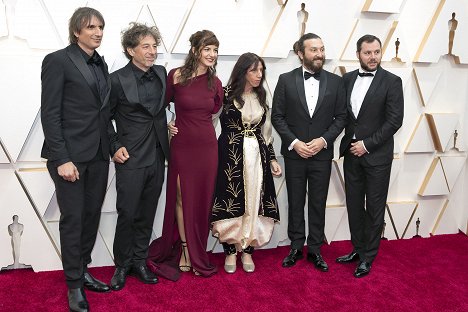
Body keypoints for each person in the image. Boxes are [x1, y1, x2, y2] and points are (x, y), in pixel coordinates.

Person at [41, 7, 111, 312]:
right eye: (91, 27)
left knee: (91, 217)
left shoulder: (101, 63)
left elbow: (102, 111)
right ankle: (73, 285)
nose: (97, 32)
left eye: (100, 27)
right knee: (73, 220)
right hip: (69, 156)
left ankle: (82, 270)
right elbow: (50, 113)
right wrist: (62, 158)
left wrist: (114, 144)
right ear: (76, 31)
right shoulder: (58, 60)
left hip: (98, 153)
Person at [147, 30, 223, 281]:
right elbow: (161, 107)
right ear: (195, 51)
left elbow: (213, 113)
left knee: (201, 201)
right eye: (207, 49)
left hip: (207, 148)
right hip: (182, 146)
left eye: (215, 50)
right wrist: (168, 124)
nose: (212, 54)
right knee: (181, 197)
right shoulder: (175, 76)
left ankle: (196, 249)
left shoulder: (216, 83)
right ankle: (185, 250)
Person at [271, 33, 347, 272]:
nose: (319, 54)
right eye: (314, 50)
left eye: (322, 49)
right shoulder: (285, 79)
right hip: (295, 154)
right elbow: (277, 117)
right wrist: (295, 143)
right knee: (295, 202)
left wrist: (323, 140)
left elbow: (341, 117)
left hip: (321, 155)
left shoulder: (336, 82)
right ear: (300, 54)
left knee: (317, 203)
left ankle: (315, 248)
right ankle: (295, 246)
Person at [108, 23, 169, 291]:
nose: (152, 51)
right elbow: (103, 118)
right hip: (130, 157)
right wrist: (114, 145)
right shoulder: (116, 79)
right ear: (131, 49)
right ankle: (122, 265)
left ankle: (140, 261)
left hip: (158, 154)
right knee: (127, 213)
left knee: (147, 212)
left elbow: (163, 110)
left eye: (155, 46)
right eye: (146, 46)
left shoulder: (162, 74)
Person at [336, 34, 403, 278]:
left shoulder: (392, 81)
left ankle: (368, 257)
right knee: (354, 205)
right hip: (351, 154)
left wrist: (367, 144)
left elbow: (394, 120)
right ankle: (358, 247)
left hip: (376, 156)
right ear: (358, 55)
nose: (373, 57)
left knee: (374, 208)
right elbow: (343, 116)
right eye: (367, 53)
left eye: (376, 52)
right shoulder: (347, 79)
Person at [210, 53, 282, 274]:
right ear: (243, 72)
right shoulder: (226, 94)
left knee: (254, 200)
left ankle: (248, 249)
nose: (259, 75)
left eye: (261, 70)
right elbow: (208, 118)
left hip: (257, 157)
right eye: (254, 70)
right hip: (231, 156)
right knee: (232, 198)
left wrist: (271, 158)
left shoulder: (262, 97)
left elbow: (266, 132)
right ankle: (231, 250)